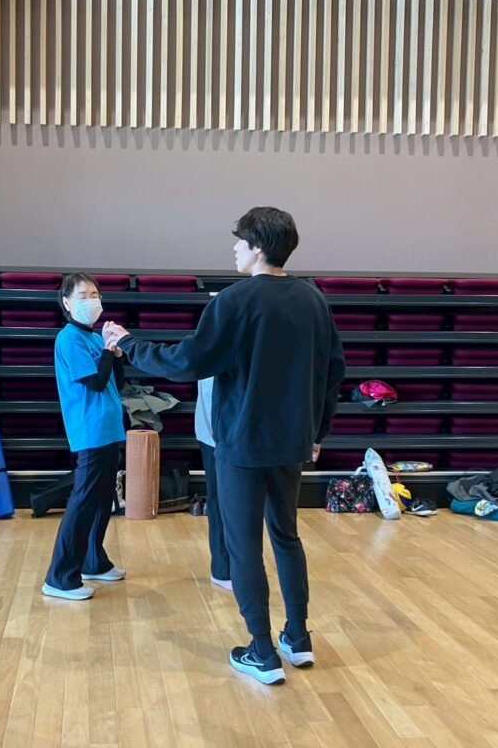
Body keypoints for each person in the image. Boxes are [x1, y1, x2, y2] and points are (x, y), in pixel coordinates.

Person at [104, 206, 345, 685]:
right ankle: (297, 638)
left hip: (242, 444)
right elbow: (333, 372)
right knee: (286, 537)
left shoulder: (234, 301)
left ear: (257, 246)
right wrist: (316, 434)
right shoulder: (314, 300)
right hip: (292, 443)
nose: (234, 249)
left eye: (239, 241)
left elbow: (187, 361)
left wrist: (129, 344)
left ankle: (261, 651)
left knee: (243, 546)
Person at [42, 273, 127, 601]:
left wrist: (115, 356)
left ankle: (94, 561)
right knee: (83, 500)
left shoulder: (93, 337)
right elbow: (94, 382)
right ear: (66, 302)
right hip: (90, 429)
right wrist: (107, 350)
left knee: (104, 498)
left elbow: (115, 382)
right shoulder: (69, 339)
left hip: (109, 427)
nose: (91, 300)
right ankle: (60, 576)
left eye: (94, 294)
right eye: (82, 295)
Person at [196, 376, 231, 592]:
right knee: (219, 500)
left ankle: (235, 566)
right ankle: (222, 569)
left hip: (234, 434)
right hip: (215, 435)